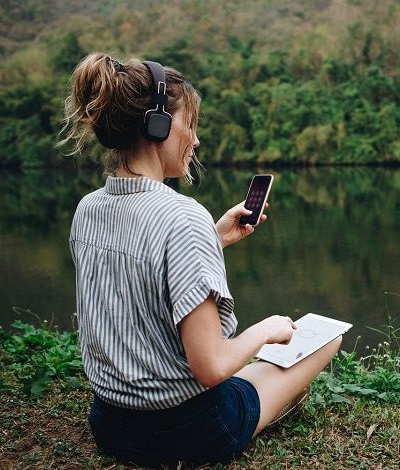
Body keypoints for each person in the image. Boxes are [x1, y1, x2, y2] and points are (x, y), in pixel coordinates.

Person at [59, 52, 342, 467]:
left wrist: (213, 239)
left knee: (253, 373)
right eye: (189, 124)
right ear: (158, 125)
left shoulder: (89, 208)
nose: (195, 139)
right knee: (326, 339)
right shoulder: (181, 215)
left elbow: (138, 274)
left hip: (109, 423)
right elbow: (210, 368)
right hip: (187, 435)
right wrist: (268, 328)